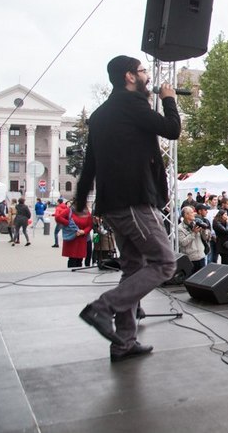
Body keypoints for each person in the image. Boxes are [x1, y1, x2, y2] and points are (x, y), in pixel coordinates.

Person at [76, 55, 181, 362]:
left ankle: (124, 342)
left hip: (111, 205)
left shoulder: (99, 115)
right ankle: (102, 307)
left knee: (132, 267)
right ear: (129, 77)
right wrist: (169, 100)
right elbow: (172, 129)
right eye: (143, 71)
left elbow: (89, 165)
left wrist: (82, 200)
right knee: (164, 263)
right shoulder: (132, 106)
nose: (147, 76)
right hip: (132, 201)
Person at [57, 203, 93, 268]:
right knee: (72, 259)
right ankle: (70, 276)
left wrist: (83, 231)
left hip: (82, 238)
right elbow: (58, 217)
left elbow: (90, 225)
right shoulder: (69, 210)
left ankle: (78, 277)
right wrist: (68, 223)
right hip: (72, 238)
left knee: (80, 259)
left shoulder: (86, 212)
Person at [178, 206, 208, 274]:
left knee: (202, 279)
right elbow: (183, 243)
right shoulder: (180, 228)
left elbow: (205, 239)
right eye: (191, 212)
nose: (194, 213)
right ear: (186, 215)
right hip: (190, 259)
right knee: (191, 280)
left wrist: (204, 231)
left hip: (201, 256)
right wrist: (193, 233)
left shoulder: (196, 224)